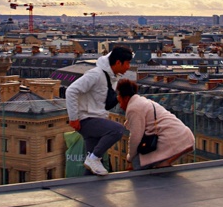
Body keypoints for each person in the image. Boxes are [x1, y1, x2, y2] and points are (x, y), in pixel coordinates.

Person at [66, 46, 133, 176]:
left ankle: (88, 190)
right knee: (117, 130)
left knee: (92, 169)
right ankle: (93, 158)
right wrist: (73, 118)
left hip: (95, 119)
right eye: (127, 63)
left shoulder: (110, 77)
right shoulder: (96, 74)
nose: (129, 67)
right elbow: (71, 90)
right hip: (87, 119)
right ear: (118, 62)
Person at [116, 79, 194, 170]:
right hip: (184, 135)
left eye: (120, 101)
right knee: (148, 164)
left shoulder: (133, 108)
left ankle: (163, 165)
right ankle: (164, 163)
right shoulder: (143, 101)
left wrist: (130, 157)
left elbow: (135, 137)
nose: (120, 106)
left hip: (171, 138)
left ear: (125, 98)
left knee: (136, 165)